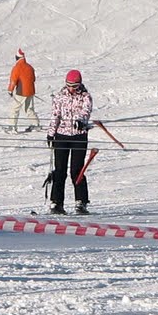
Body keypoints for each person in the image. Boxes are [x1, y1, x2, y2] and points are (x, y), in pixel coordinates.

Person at [47, 70, 94, 214]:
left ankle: (81, 202)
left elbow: (86, 111)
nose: (71, 88)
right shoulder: (60, 97)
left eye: (74, 86)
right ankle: (56, 202)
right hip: (62, 135)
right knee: (59, 170)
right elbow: (55, 115)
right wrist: (51, 133)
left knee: (76, 170)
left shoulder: (85, 97)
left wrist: (81, 121)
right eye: (69, 85)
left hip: (79, 136)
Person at [6, 48, 39, 133]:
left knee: (15, 109)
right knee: (28, 108)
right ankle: (36, 124)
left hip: (21, 92)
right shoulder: (30, 67)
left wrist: (10, 90)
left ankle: (12, 127)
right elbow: (33, 79)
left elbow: (13, 80)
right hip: (31, 91)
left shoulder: (17, 67)